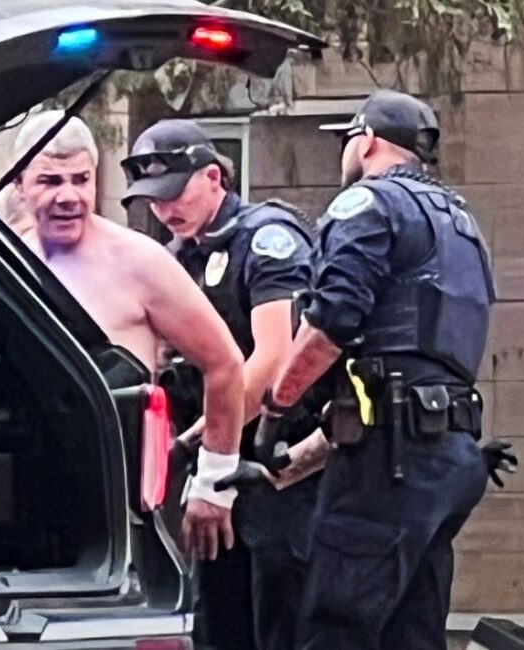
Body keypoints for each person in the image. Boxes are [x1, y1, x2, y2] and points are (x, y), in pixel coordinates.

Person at [254, 89, 496, 650]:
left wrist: (277, 406)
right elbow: (398, 378)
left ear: (365, 140)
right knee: (411, 633)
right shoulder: (461, 223)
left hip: (389, 466)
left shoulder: (367, 204)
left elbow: (332, 324)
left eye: (346, 139)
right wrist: (285, 467)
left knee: (336, 629)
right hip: (447, 460)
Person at [11, 111, 246, 561]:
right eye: (50, 181)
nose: (68, 196)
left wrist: (215, 482)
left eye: (81, 179)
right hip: (31, 485)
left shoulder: (140, 261)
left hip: (127, 495)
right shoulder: (6, 258)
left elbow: (225, 363)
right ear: (20, 184)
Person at [121, 119, 319, 650]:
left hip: (276, 466)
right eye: (153, 200)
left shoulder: (266, 238)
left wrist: (202, 448)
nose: (164, 210)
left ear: (215, 177)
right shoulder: (175, 255)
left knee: (278, 619)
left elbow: (275, 356)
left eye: (175, 193)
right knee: (218, 620)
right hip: (216, 464)